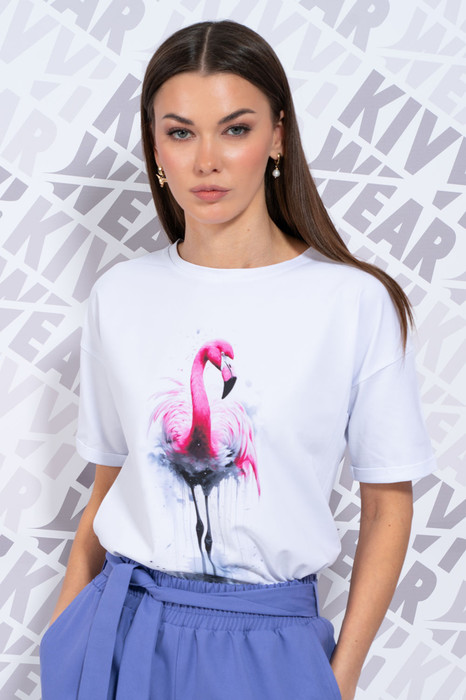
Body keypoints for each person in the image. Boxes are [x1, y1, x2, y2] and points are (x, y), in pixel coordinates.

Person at [39, 20, 437, 700]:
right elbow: (108, 487)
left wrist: (338, 680)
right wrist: (62, 644)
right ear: (155, 145)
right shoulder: (120, 295)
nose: (206, 162)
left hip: (270, 643)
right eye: (180, 132)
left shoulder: (352, 302)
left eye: (235, 129)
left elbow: (386, 506)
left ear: (278, 135)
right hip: (118, 632)